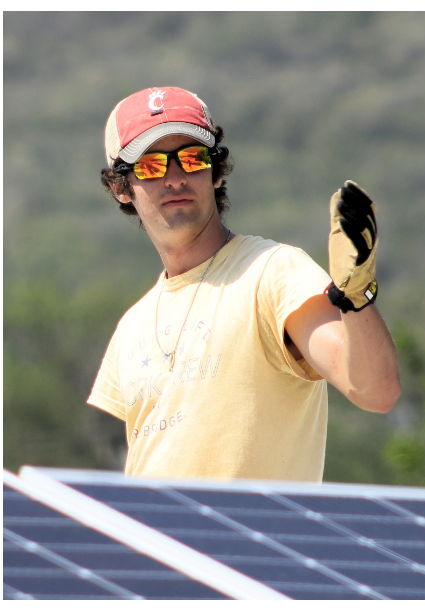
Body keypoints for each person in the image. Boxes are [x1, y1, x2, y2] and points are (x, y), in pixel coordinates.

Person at [88, 86, 400, 483]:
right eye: (151, 166)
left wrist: (356, 297)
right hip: (155, 545)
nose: (175, 177)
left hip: (248, 544)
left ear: (215, 172)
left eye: (191, 157)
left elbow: (375, 390)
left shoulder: (273, 272)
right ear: (120, 187)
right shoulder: (131, 326)